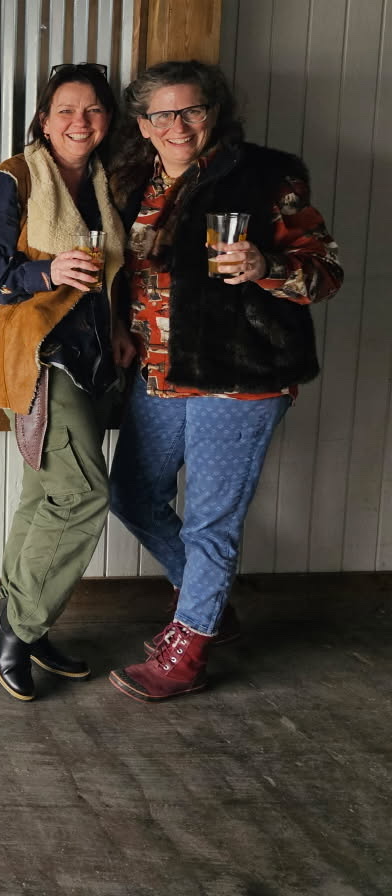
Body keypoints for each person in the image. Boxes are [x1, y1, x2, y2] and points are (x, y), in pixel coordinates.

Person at [107, 60, 341, 702]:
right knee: (132, 495)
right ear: (143, 123)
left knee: (210, 523)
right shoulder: (131, 180)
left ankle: (187, 654)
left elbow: (325, 271)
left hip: (240, 375)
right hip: (158, 372)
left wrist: (267, 266)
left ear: (214, 112)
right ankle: (208, 603)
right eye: (163, 114)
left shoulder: (266, 175)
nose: (179, 125)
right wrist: (120, 325)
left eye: (192, 110)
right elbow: (126, 273)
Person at [0, 63, 127, 701]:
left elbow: (107, 275)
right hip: (35, 358)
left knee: (45, 492)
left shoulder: (100, 183)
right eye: (66, 110)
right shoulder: (10, 181)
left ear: (108, 120)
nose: (81, 122)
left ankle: (22, 613)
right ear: (44, 122)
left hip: (87, 357)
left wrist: (117, 326)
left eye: (93, 110)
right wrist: (46, 273)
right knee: (79, 495)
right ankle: (20, 627)